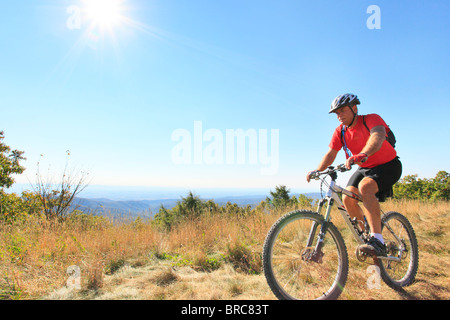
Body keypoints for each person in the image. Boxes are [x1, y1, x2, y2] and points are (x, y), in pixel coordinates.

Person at [306, 93, 402, 257]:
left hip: (389, 165)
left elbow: (377, 137)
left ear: (354, 108)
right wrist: (318, 170)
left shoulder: (371, 119)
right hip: (366, 168)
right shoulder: (340, 131)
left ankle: (378, 239)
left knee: (365, 187)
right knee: (347, 198)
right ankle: (368, 238)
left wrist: (362, 154)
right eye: (337, 113)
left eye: (342, 111)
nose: (339, 116)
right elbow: (331, 153)